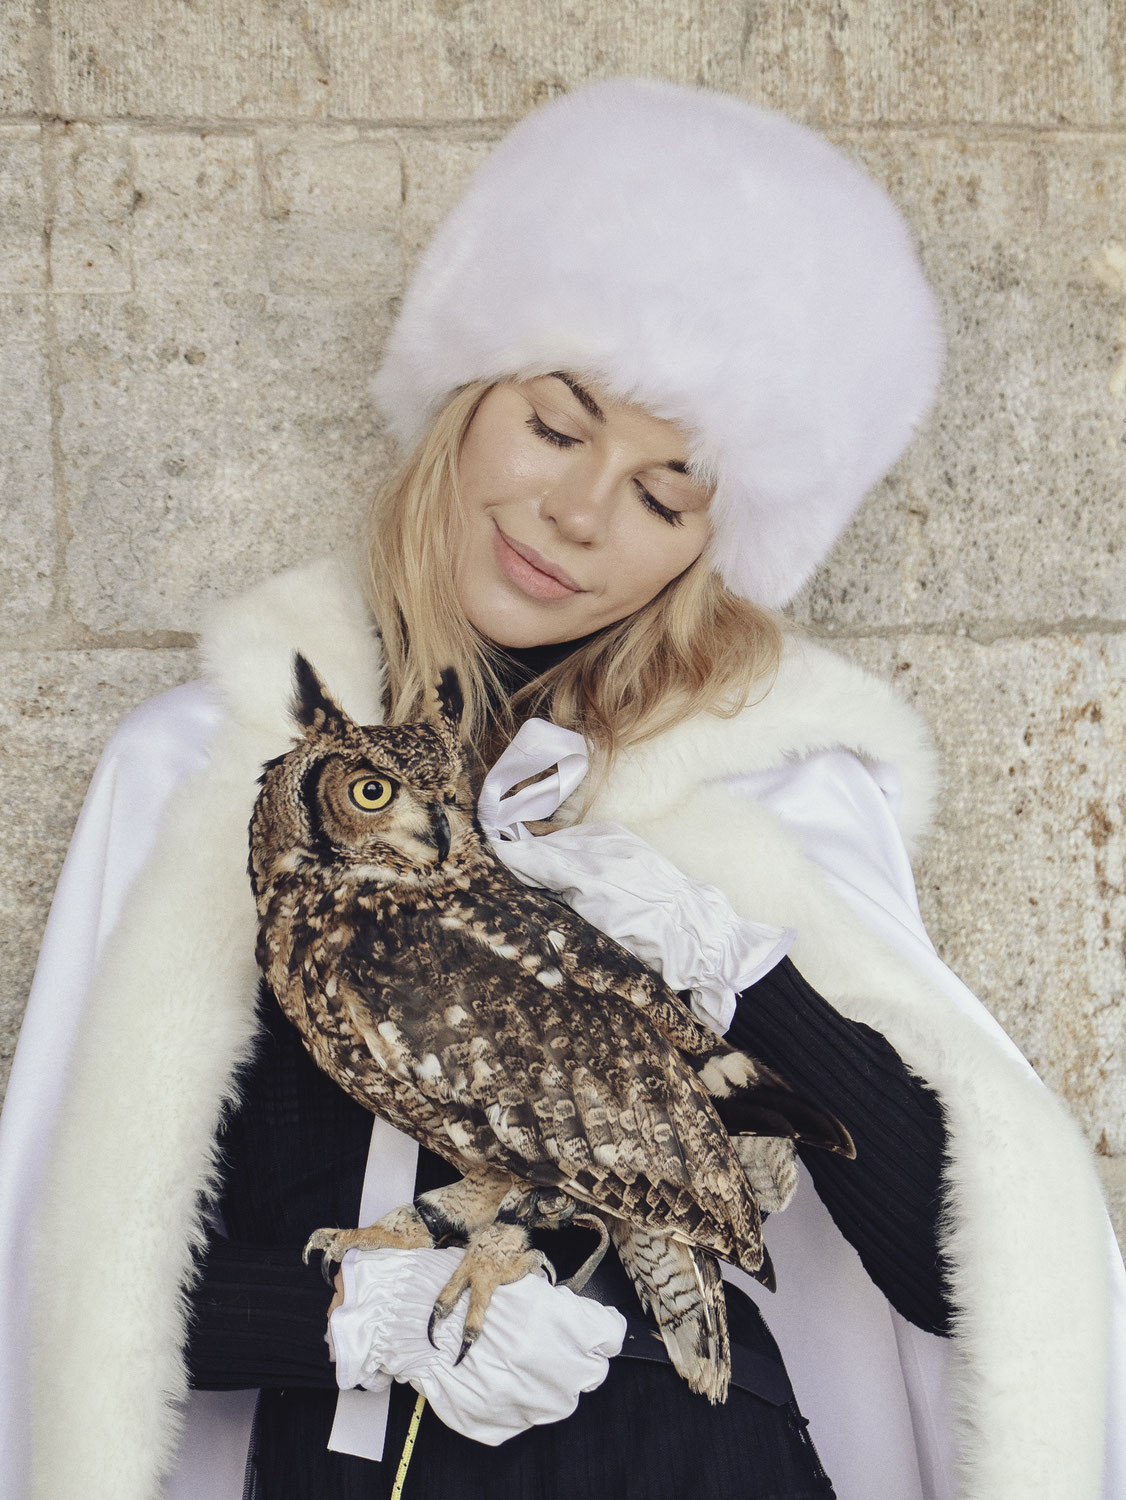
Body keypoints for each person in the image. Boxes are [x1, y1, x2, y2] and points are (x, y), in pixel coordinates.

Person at [1, 76, 1123, 1500]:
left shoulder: (758, 802)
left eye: (665, 494)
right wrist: (359, 1318)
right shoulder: (212, 772)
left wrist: (739, 966)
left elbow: (968, 1272)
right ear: (467, 402)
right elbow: (82, 1300)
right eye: (557, 423)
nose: (579, 513)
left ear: (706, 551)